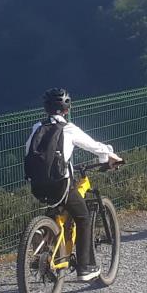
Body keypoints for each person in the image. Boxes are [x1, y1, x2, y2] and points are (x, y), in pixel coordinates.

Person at [26, 89, 122, 281]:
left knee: (57, 210)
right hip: (60, 186)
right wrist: (109, 156)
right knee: (83, 217)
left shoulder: (37, 127)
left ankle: (43, 242)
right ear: (67, 109)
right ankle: (85, 267)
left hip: (37, 186)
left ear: (46, 109)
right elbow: (93, 146)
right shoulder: (68, 128)